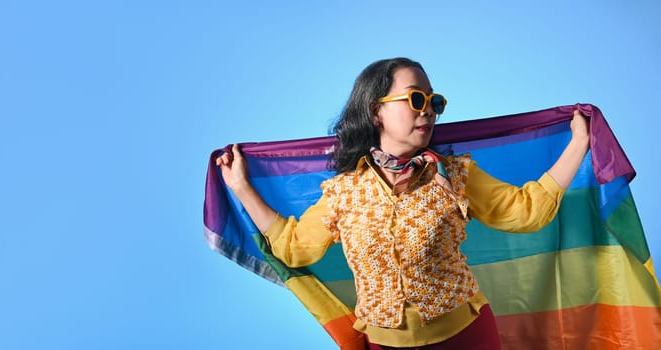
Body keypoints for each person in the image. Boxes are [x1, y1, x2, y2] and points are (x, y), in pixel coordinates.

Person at [215, 57, 590, 349]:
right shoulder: (344, 192)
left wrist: (578, 145)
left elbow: (525, 211)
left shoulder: (456, 175)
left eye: (433, 101)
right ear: (376, 110)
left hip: (467, 340)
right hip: (383, 346)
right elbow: (293, 248)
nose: (427, 109)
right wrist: (242, 187)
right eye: (414, 98)